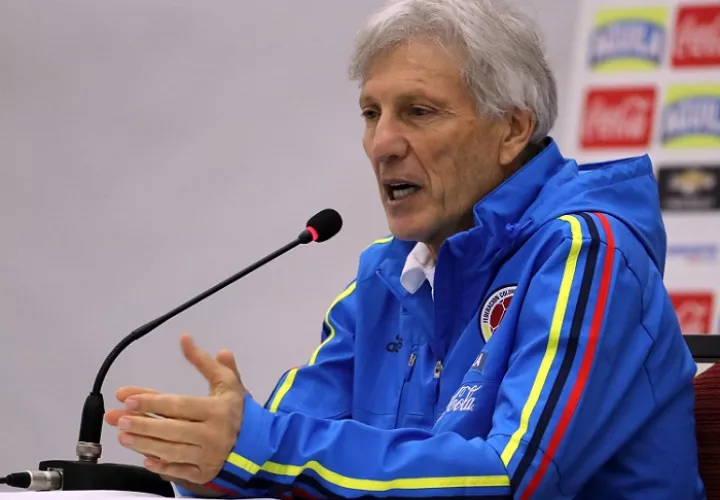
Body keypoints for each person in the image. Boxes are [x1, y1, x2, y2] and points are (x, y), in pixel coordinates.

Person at [105, 0, 705, 498]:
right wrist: (206, 458)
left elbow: (512, 479)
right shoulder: (389, 273)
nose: (382, 143)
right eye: (372, 113)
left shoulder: (585, 251)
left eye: (418, 112)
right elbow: (282, 452)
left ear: (513, 129)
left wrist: (254, 447)